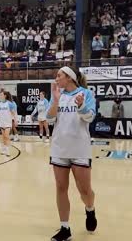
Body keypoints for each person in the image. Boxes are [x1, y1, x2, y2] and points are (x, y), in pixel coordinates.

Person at [46, 66, 98, 241]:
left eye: (59, 75)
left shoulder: (86, 94)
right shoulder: (57, 95)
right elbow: (50, 119)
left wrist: (81, 105)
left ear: (69, 77)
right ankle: (65, 228)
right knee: (61, 188)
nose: (56, 78)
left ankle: (90, 209)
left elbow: (90, 117)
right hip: (59, 147)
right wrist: (54, 101)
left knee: (84, 190)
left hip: (80, 148)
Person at [0, 91, 16, 156]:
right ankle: (3, 149)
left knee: (6, 136)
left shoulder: (9, 104)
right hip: (2, 122)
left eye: (1, 95)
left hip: (8, 123)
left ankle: (7, 151)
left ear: (5, 96)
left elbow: (13, 113)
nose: (0, 96)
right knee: (3, 137)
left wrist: (15, 120)